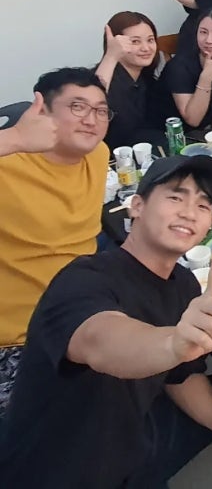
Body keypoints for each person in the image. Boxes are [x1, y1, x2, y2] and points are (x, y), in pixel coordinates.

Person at [0, 155, 212, 487]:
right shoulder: (83, 278)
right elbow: (101, 341)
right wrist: (172, 343)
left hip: (132, 456)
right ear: (136, 206)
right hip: (52, 473)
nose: (189, 212)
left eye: (203, 205)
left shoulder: (184, 286)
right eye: (175, 197)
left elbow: (179, 377)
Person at [0, 68, 110, 417]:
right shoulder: (8, 165)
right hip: (20, 341)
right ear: (43, 111)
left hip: (85, 313)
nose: (91, 119)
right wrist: (13, 139)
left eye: (101, 111)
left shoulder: (98, 154)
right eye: (77, 107)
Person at [158, 8, 212, 131]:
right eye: (203, 32)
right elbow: (193, 120)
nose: (208, 40)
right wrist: (206, 77)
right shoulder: (179, 67)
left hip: (199, 133)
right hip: (165, 133)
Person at [96, 10, 164, 149]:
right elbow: (93, 101)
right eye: (135, 41)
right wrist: (111, 56)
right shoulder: (102, 79)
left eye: (150, 40)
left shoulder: (146, 80)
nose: (146, 48)